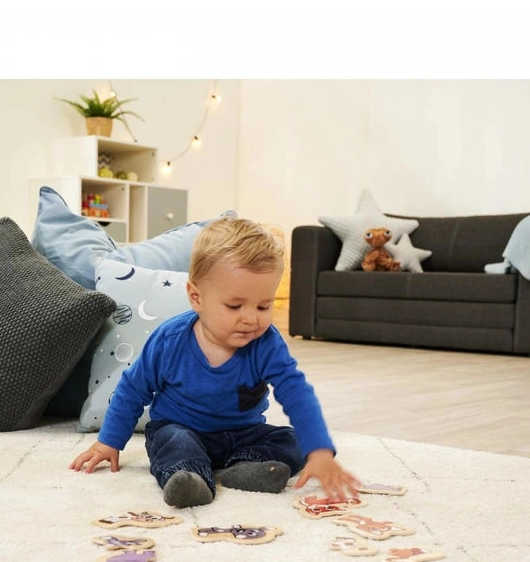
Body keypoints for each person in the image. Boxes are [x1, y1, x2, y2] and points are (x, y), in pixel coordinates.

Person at [70, 217, 361, 508]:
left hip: (243, 436)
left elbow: (297, 393)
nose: (251, 318)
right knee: (172, 441)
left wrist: (320, 450)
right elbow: (132, 390)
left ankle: (246, 468)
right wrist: (109, 442)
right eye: (235, 306)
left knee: (293, 441)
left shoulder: (267, 344)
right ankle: (189, 477)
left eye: (264, 305)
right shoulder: (170, 341)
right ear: (197, 298)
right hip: (181, 428)